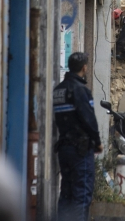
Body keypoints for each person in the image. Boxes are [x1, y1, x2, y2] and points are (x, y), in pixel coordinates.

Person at [53, 52, 103, 221]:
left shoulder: (58, 89)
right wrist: (97, 141)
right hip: (80, 150)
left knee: (66, 192)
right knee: (81, 194)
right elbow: (88, 118)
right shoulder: (80, 90)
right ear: (84, 67)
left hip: (64, 148)